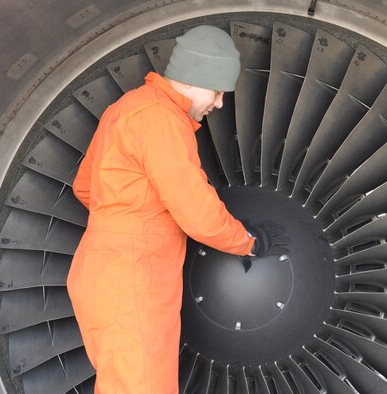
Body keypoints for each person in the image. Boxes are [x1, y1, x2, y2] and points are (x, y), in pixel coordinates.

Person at [67, 25, 285, 394]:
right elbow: (195, 210)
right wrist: (246, 242)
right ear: (197, 78)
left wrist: (130, 218)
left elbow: (85, 187)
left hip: (101, 271)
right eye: (218, 92)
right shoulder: (162, 121)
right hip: (132, 279)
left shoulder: (127, 108)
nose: (218, 104)